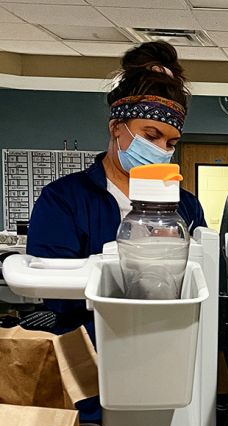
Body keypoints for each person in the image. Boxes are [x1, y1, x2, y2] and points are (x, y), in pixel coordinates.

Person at [27, 41, 206, 339]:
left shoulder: (185, 206)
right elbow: (56, 295)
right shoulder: (65, 199)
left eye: (171, 143)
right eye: (151, 135)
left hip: (171, 344)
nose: (161, 150)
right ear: (116, 127)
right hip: (91, 351)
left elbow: (202, 284)